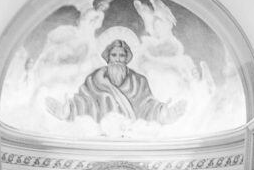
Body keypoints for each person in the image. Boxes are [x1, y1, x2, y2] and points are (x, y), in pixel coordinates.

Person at [46, 37, 185, 127]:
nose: (118, 59)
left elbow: (148, 105)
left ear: (126, 58)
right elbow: (83, 102)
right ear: (108, 57)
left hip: (132, 136)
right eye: (114, 55)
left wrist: (163, 112)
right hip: (99, 137)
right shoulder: (94, 78)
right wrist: (67, 110)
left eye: (122, 55)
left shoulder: (139, 81)